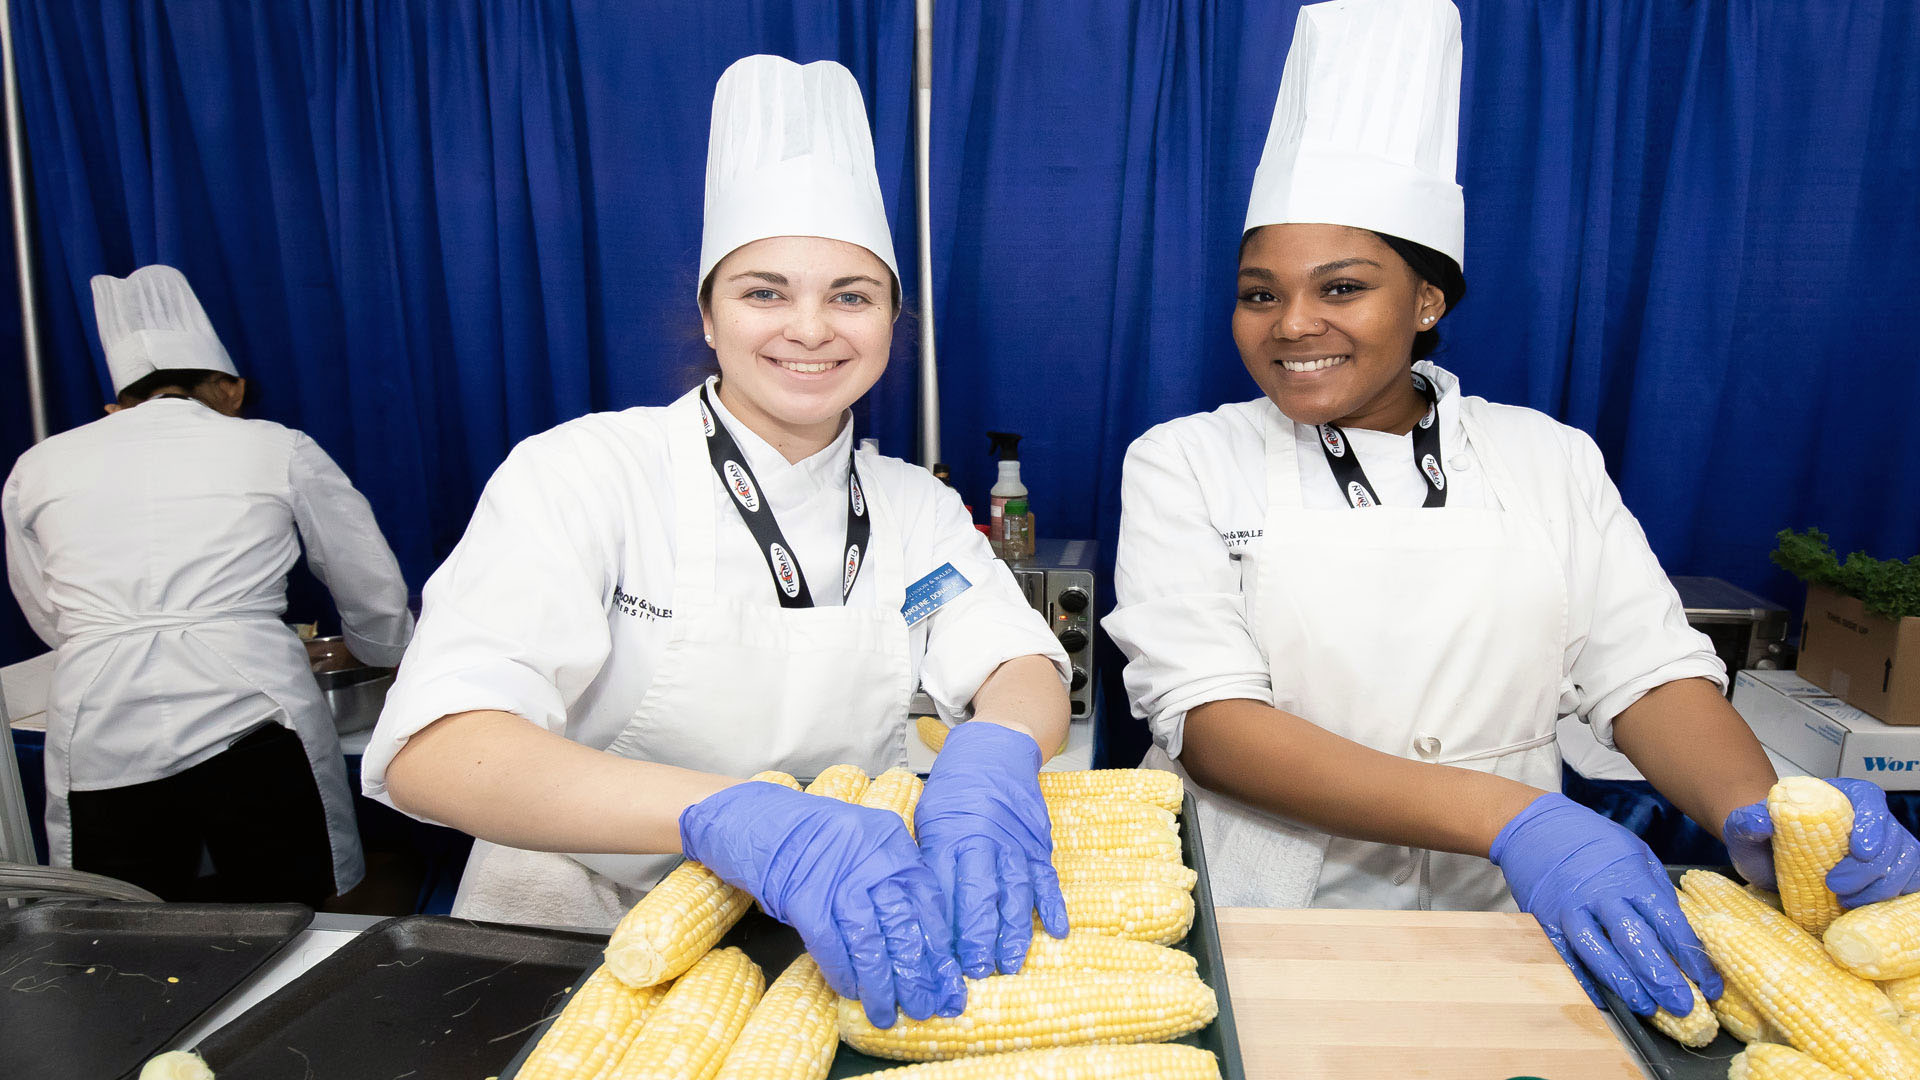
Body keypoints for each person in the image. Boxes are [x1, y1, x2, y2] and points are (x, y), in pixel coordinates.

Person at [1105, 0, 1920, 1020]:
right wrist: (1520, 818)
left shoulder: (1546, 457)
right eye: (1258, 293)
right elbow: (1217, 726)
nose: (1292, 324)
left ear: (1428, 301)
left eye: (1343, 287)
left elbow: (1646, 675)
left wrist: (1758, 813)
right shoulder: (1185, 461)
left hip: (1516, 918)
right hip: (1260, 913)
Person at [360, 55, 1071, 1028]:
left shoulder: (914, 508)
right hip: (568, 942)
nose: (811, 329)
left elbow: (1017, 655)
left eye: (853, 295)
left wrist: (997, 745)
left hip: (821, 948)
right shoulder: (586, 472)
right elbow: (436, 749)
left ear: (895, 318)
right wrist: (726, 814)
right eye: (765, 292)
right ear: (707, 311)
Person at [3, 264, 414, 906]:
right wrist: (386, 653)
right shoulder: (276, 446)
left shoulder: (39, 464)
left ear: (119, 404)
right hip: (255, 710)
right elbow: (369, 579)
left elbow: (48, 609)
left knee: (117, 926)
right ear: (231, 388)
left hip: (101, 715)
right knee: (293, 912)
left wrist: (115, 640)